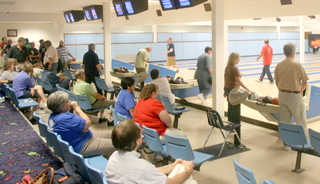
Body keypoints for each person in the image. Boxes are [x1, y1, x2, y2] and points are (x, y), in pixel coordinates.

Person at [105, 119, 197, 184]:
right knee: (190, 180)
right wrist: (189, 170)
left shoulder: (113, 157)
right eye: (140, 133)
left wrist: (172, 165)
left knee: (180, 167)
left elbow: (149, 172)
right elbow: (171, 182)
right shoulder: (142, 167)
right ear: (137, 141)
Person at [47, 91, 116, 158]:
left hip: (80, 137)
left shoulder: (54, 115)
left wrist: (83, 126)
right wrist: (77, 108)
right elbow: (88, 123)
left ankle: (106, 155)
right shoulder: (65, 118)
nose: (70, 102)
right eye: (67, 101)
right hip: (81, 145)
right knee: (117, 145)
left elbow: (78, 123)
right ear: (61, 108)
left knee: (108, 134)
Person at [274, 43, 309, 141]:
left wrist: (282, 91)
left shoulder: (279, 65)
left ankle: (287, 144)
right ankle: (305, 143)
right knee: (301, 120)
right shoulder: (297, 64)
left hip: (282, 95)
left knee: (285, 122)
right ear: (294, 52)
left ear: (284, 52)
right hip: (294, 96)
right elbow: (305, 82)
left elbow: (276, 82)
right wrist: (301, 91)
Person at [224, 52, 255, 123]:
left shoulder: (227, 67)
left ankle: (230, 122)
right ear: (234, 59)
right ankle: (235, 125)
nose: (239, 60)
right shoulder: (235, 69)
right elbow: (238, 81)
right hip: (234, 91)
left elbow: (225, 79)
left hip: (228, 89)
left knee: (230, 107)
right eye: (238, 59)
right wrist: (248, 89)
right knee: (235, 108)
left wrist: (225, 90)